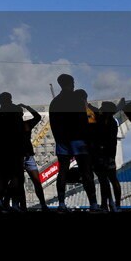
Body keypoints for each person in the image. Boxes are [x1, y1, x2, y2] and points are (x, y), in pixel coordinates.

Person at [48, 75, 98, 211]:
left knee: (62, 171)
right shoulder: (78, 99)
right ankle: (93, 203)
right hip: (79, 139)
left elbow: (53, 123)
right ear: (71, 83)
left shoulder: (55, 102)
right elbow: (87, 120)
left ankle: (61, 203)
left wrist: (58, 138)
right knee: (86, 171)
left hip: (62, 140)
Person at [0, 92, 25, 211]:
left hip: (1, 151)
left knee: (3, 178)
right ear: (10, 99)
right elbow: (21, 131)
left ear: (0, 101)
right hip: (14, 150)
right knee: (15, 178)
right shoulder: (15, 112)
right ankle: (14, 204)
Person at [92, 101, 121, 212]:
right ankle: (114, 204)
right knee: (111, 180)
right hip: (109, 155)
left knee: (106, 180)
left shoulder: (105, 122)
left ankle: (108, 204)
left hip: (104, 155)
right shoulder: (111, 121)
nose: (100, 109)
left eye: (102, 108)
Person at [19, 103, 49, 211]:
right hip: (23, 156)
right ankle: (42, 205)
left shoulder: (23, 124)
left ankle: (39, 205)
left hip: (26, 156)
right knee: (32, 182)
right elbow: (38, 117)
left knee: (30, 182)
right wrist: (27, 107)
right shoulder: (25, 124)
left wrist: (27, 107)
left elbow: (38, 117)